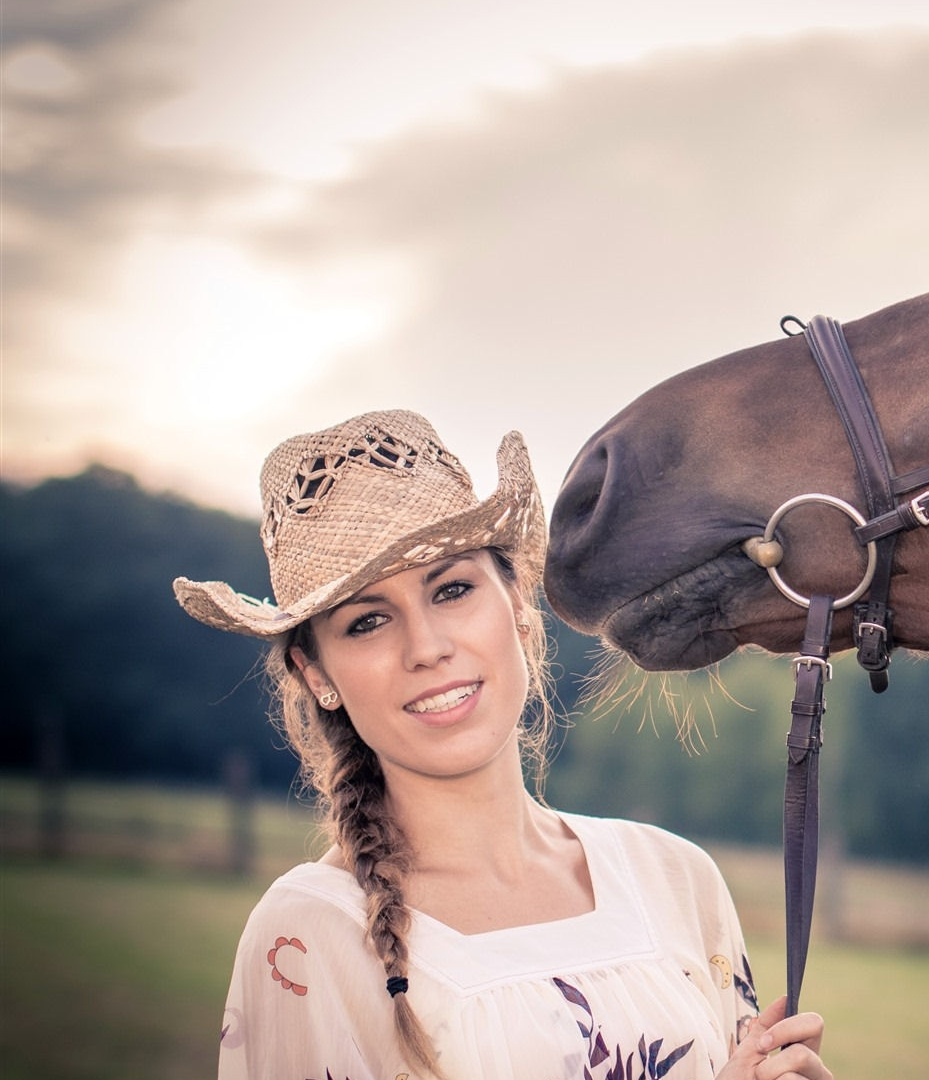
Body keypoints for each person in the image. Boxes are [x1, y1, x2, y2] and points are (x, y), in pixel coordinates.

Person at [174, 409, 831, 1080]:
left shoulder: (674, 877)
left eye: (452, 589)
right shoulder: (308, 935)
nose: (427, 648)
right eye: (368, 621)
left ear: (518, 602)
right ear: (316, 675)